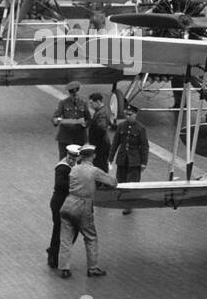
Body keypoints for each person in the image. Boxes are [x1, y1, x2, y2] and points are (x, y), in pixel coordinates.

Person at [57, 146, 117, 278]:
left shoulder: (74, 169)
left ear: (80, 156)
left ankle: (64, 268)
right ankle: (93, 268)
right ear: (93, 156)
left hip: (68, 204)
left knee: (66, 239)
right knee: (91, 237)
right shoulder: (94, 171)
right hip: (83, 206)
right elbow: (113, 183)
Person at [109, 105, 149, 213]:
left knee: (132, 184)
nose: (128, 116)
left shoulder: (140, 128)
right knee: (121, 181)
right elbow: (115, 143)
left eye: (130, 114)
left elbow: (144, 146)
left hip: (134, 160)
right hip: (122, 159)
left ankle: (128, 205)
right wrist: (110, 158)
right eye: (126, 114)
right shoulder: (121, 126)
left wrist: (144, 162)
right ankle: (124, 200)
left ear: (135, 115)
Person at [47, 145, 80, 269]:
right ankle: (54, 256)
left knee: (68, 230)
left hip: (69, 203)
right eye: (69, 158)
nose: (71, 161)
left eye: (73, 159)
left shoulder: (76, 166)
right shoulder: (62, 167)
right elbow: (60, 184)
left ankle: (55, 253)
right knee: (59, 230)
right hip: (59, 203)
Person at [52, 81, 90, 157]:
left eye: (75, 95)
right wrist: (57, 121)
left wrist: (85, 124)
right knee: (64, 159)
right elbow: (55, 117)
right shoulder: (63, 103)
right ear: (70, 94)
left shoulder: (83, 103)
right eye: (73, 95)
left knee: (79, 159)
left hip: (79, 137)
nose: (74, 97)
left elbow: (88, 118)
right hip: (65, 137)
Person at [87, 93, 112, 172]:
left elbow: (101, 128)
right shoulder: (101, 111)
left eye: (91, 103)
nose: (90, 105)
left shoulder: (102, 113)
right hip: (101, 144)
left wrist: (93, 140)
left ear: (97, 102)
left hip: (100, 146)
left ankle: (102, 184)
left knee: (100, 167)